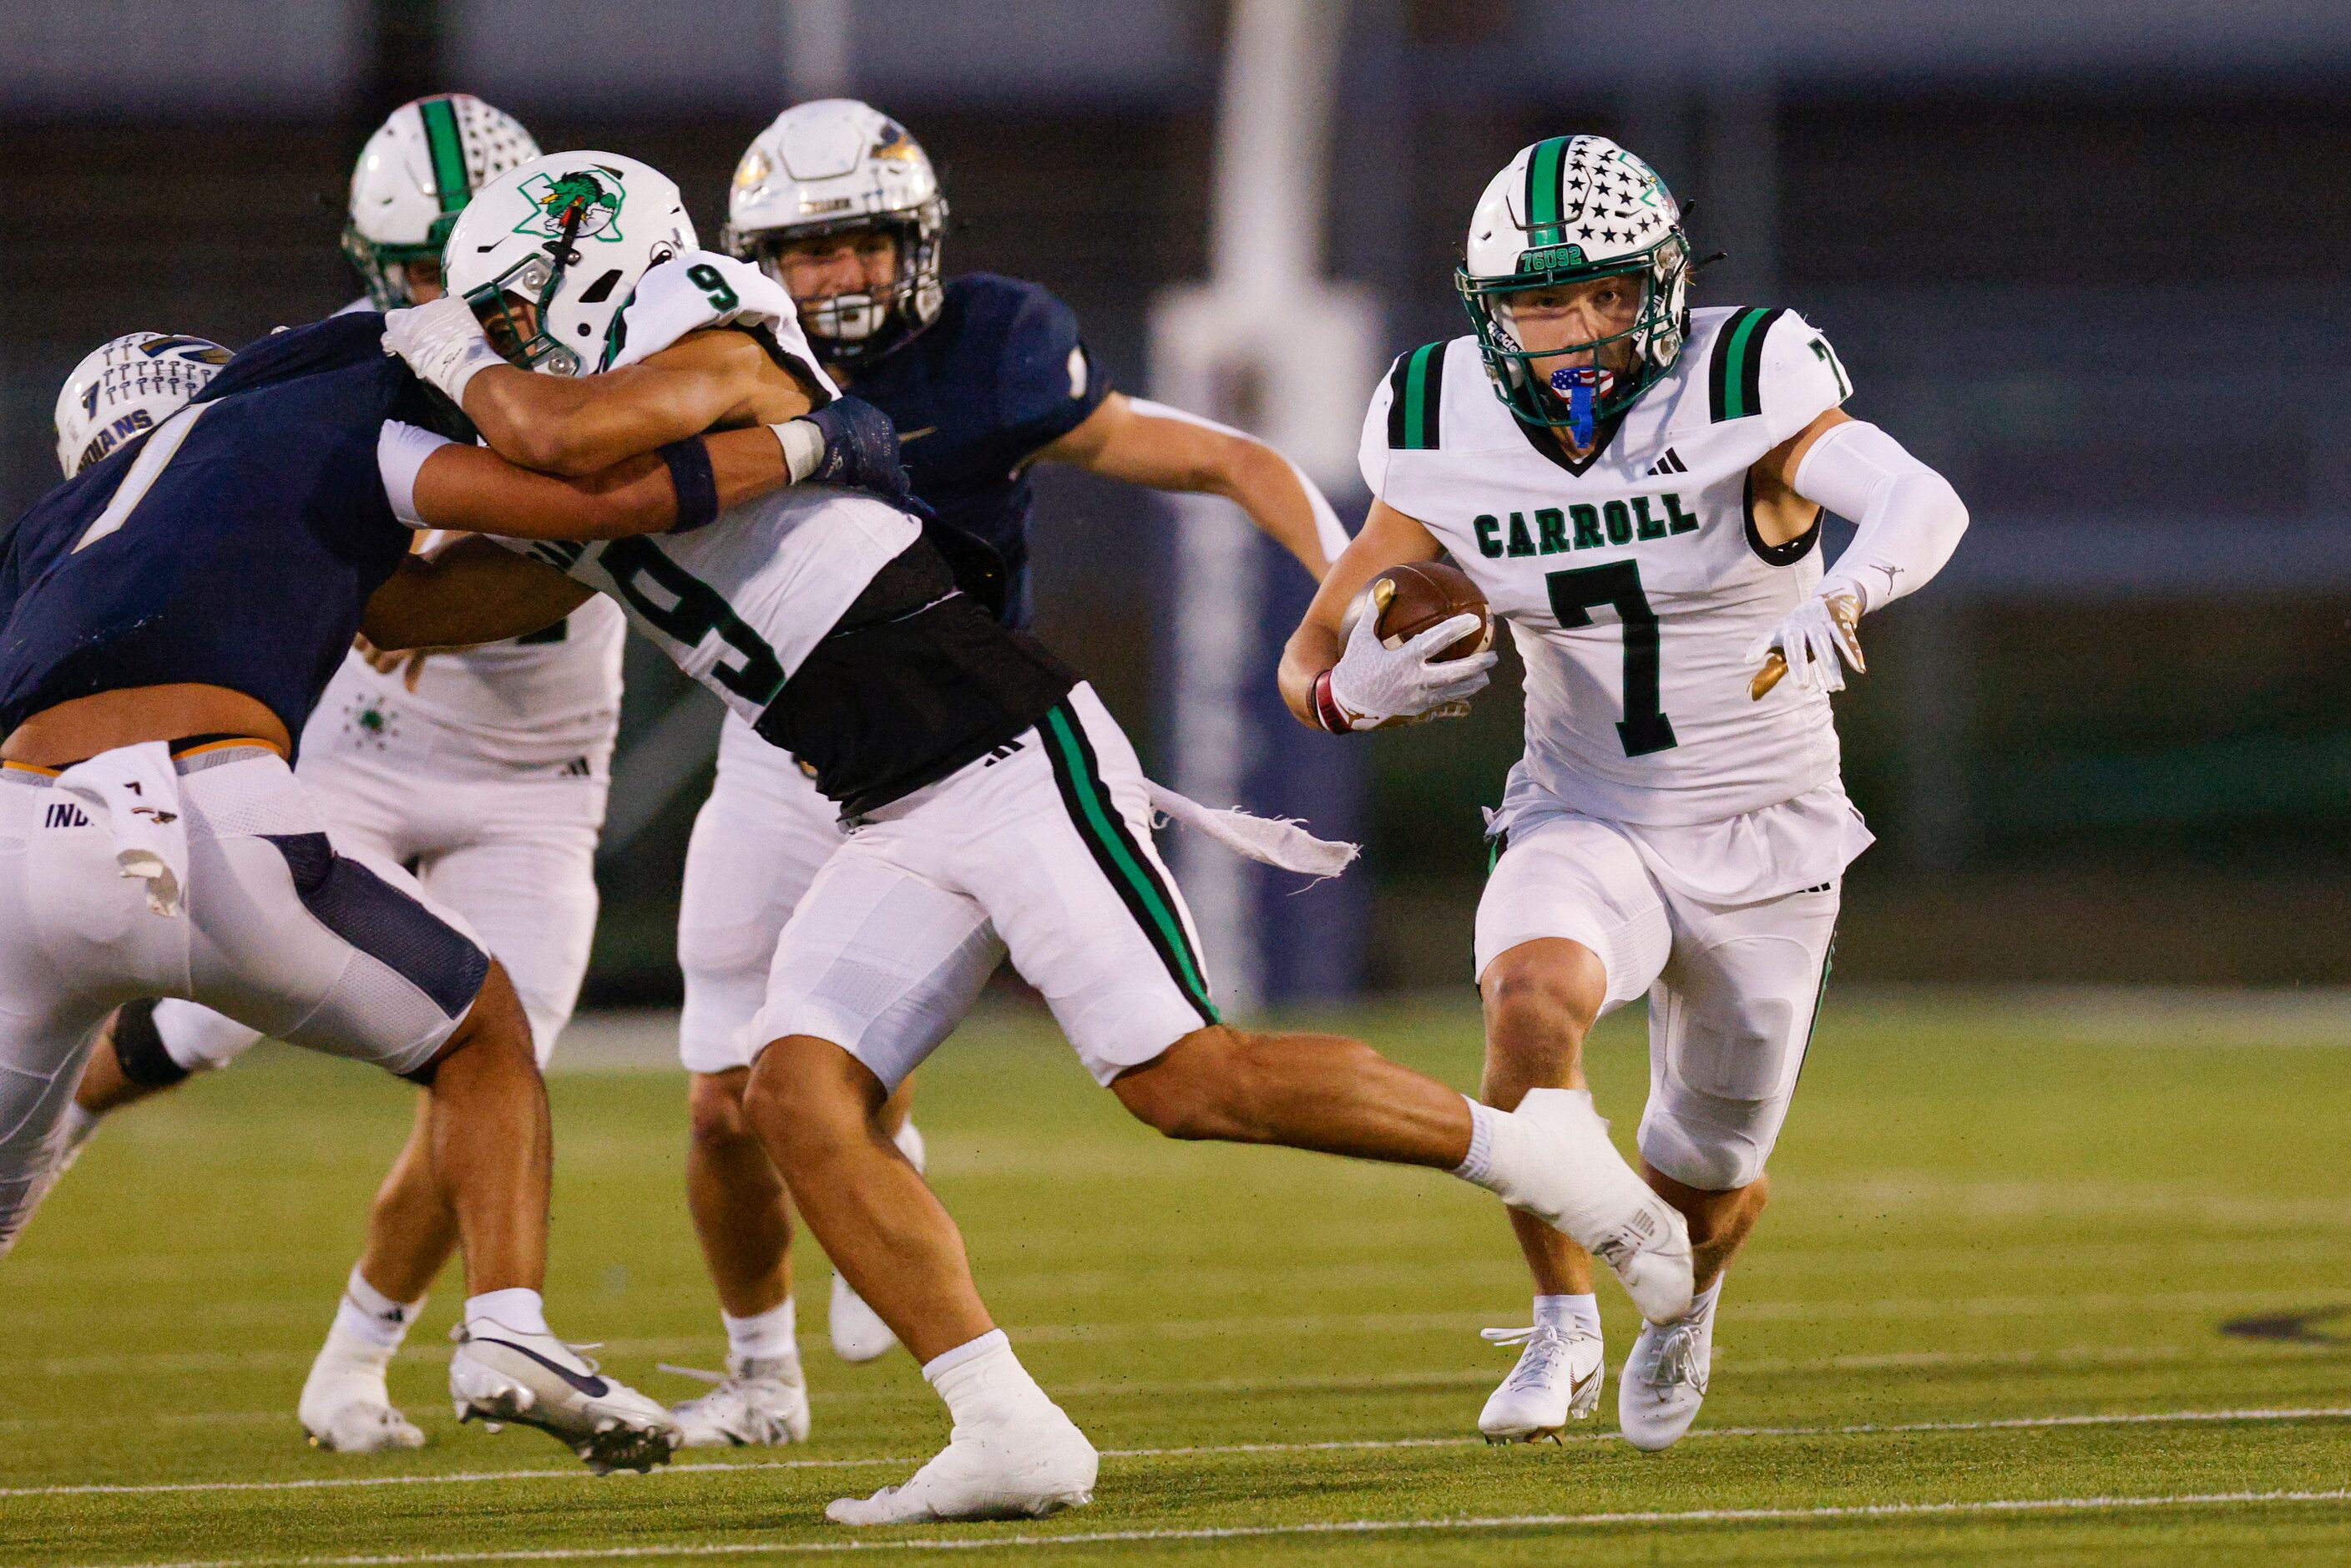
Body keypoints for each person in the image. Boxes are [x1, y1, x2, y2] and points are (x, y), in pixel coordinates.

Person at [383, 148, 1695, 1527]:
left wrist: (432, 401)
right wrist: (355, 495)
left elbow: (563, 448)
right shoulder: (572, 410)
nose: (508, 346)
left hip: (1005, 749)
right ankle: (1004, 1424)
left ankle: (1554, 1167)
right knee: (793, 1093)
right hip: (884, 795)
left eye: (519, 314)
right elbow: (428, 600)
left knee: (1189, 1081)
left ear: (599, 271)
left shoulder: (704, 312)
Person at [0, 291, 827, 1471]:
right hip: (205, 810)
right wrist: (811, 443)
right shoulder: (313, 424)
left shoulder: (54, 528)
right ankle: (508, 1331)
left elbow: (392, 611)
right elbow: (606, 503)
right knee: (485, 1037)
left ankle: (364, 1340)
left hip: (22, 834)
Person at [681, 98, 1354, 1442]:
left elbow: (1228, 454)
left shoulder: (995, 352)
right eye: (804, 254)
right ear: (754, 264)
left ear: (917, 242)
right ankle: (761, 1379)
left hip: (952, 738)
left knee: (857, 1048)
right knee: (720, 1103)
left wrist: (1345, 581)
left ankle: (883, 1171)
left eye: (864, 243)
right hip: (782, 737)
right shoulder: (704, 364)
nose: (837, 278)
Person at [1281, 135, 1968, 1449]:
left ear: (1660, 285)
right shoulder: (1439, 418)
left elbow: (1915, 497)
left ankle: (1686, 1303)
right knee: (1527, 1002)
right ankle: (1559, 1326)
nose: (1578, 325)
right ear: (1491, 314)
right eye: (1543, 301)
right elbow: (1310, 652)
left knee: (1709, 1180)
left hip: (1766, 828)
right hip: (1581, 806)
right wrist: (1346, 696)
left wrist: (1849, 587)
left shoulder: (1743, 376)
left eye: (1603, 291)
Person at [48, 94, 636, 1455]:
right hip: (357, 752)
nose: (442, 301)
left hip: (541, 777)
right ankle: (69, 1107)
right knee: (201, 1022)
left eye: (462, 264)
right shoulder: (319, 381)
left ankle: (352, 1364)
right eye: (414, 274)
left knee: (497, 1067)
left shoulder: (612, 360)